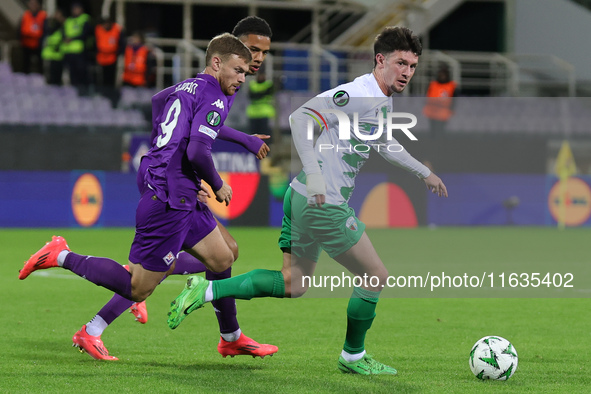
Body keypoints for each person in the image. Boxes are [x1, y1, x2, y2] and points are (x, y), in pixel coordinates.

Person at [167, 26, 449, 375]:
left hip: (300, 197)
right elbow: (299, 117)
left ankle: (207, 289)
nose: (408, 72)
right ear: (381, 60)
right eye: (401, 63)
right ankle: (353, 357)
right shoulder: (358, 93)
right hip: (322, 201)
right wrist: (315, 174)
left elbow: (385, 144)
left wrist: (424, 173)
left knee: (294, 282)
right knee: (375, 274)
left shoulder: (380, 99)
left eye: (413, 65)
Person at [19, 33, 261, 361]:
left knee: (223, 256)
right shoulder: (215, 95)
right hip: (169, 194)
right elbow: (197, 149)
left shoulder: (184, 87)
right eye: (239, 70)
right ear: (217, 62)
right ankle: (61, 255)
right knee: (138, 288)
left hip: (167, 178)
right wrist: (216, 183)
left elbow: (160, 107)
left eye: (247, 72)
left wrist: (189, 170)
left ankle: (230, 336)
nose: (243, 78)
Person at [95, 16, 125, 106]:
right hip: (101, 59)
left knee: (111, 79)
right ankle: (102, 95)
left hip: (112, 59)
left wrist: (117, 53)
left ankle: (110, 95)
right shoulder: (98, 30)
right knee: (101, 78)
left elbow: (121, 44)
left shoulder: (117, 30)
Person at [61, 2, 92, 93]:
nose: (75, 10)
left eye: (77, 8)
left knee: (81, 72)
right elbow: (64, 32)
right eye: (74, 9)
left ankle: (83, 91)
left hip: (79, 51)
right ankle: (74, 92)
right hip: (69, 51)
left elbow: (85, 34)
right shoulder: (68, 21)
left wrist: (72, 38)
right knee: (72, 73)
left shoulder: (84, 19)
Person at [423, 66, 457, 138]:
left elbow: (454, 100)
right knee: (433, 129)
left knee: (441, 130)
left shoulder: (451, 86)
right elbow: (428, 96)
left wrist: (452, 109)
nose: (442, 76)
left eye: (443, 75)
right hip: (432, 111)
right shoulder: (433, 84)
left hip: (443, 112)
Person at [19, 0, 47, 74]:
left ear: (38, 5)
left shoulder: (43, 15)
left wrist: (42, 40)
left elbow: (45, 29)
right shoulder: (26, 15)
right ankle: (24, 80)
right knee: (25, 63)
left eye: (35, 4)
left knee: (40, 64)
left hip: (38, 44)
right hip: (26, 43)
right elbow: (20, 28)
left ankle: (41, 80)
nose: (33, 6)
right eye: (31, 4)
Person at [247, 68, 275, 135]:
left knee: (264, 131)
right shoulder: (252, 84)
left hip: (265, 112)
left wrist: (258, 94)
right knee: (254, 132)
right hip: (254, 112)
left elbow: (256, 95)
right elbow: (251, 95)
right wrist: (262, 93)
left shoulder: (268, 85)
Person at [41, 9, 64, 85]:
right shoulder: (50, 23)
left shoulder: (63, 26)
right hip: (49, 55)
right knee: (49, 78)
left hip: (58, 56)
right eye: (57, 14)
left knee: (58, 78)